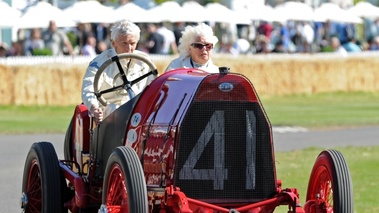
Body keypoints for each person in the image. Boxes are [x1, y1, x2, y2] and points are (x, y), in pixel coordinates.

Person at [81, 19, 155, 124]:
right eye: (124, 43)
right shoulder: (100, 62)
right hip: (108, 113)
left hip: (139, 114)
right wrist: (94, 108)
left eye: (132, 43)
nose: (129, 48)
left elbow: (154, 88)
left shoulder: (145, 62)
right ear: (113, 43)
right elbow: (88, 88)